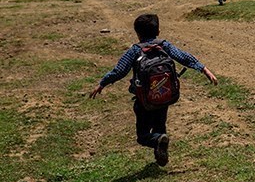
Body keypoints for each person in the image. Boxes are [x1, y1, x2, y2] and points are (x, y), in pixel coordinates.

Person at [89, 13, 218, 166]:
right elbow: (184, 57)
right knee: (159, 125)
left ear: (137, 34)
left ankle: (157, 141)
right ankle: (161, 150)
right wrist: (204, 69)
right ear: (158, 31)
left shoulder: (135, 51)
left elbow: (119, 71)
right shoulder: (164, 45)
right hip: (164, 97)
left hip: (144, 101)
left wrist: (102, 83)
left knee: (143, 136)